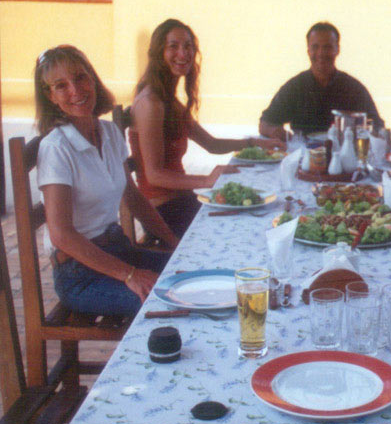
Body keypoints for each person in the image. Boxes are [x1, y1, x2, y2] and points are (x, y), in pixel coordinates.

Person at [35, 45, 178, 317]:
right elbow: (61, 235)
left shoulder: (110, 132)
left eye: (80, 78)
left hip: (118, 250)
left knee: (191, 272)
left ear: (92, 78)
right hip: (79, 275)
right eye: (61, 86)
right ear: (50, 96)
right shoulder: (56, 149)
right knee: (169, 302)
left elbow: (133, 197)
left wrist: (174, 242)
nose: (76, 91)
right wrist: (130, 275)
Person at [131, 19, 283, 238]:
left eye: (188, 46)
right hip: (161, 212)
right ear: (158, 52)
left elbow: (212, 144)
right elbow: (154, 176)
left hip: (180, 201)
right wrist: (206, 180)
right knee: (243, 228)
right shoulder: (151, 103)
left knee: (256, 211)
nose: (183, 53)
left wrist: (256, 143)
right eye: (173, 46)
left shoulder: (169, 101)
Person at [259, 22, 385, 140]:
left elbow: (378, 127)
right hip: (305, 157)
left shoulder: (354, 89)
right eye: (315, 47)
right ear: (308, 50)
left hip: (344, 158)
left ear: (337, 49)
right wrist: (276, 132)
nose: (321, 53)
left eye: (327, 47)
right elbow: (265, 123)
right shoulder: (295, 87)